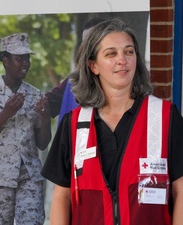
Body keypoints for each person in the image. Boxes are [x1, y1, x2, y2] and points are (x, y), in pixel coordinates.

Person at [41, 18, 183, 225]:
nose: (122, 60)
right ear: (93, 66)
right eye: (111, 54)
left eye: (129, 52)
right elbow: (62, 196)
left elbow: (181, 190)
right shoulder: (73, 124)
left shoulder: (165, 117)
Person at [0, 33, 51, 225]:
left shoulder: (35, 95)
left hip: (29, 179)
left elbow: (42, 144)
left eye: (27, 58)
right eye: (19, 58)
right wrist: (5, 113)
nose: (25, 63)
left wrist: (45, 120)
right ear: (5, 60)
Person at [46, 17, 105, 122]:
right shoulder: (72, 82)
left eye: (91, 41)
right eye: (84, 43)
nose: (86, 48)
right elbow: (47, 103)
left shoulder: (120, 83)